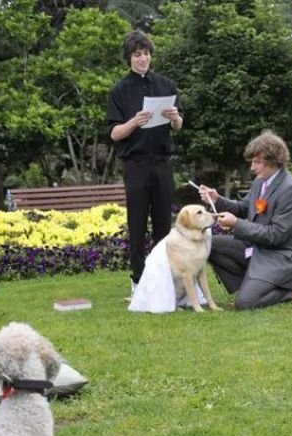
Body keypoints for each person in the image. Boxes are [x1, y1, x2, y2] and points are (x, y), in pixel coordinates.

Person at [106, 29, 183, 298]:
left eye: (146, 54)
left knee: (164, 225)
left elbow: (179, 125)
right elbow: (114, 133)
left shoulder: (166, 85)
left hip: (162, 163)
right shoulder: (119, 90)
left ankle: (165, 280)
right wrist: (133, 122)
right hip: (136, 165)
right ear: (129, 57)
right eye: (137, 54)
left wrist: (174, 117)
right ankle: (138, 281)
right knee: (137, 225)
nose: (142, 59)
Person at [198, 130, 292, 310]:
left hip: (280, 255)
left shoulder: (290, 190)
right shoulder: (261, 181)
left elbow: (276, 235)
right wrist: (217, 199)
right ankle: (251, 283)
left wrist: (236, 224)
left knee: (245, 304)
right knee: (208, 243)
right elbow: (244, 208)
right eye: (252, 162)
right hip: (257, 248)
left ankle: (291, 289)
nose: (252, 167)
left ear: (273, 160)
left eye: (257, 162)